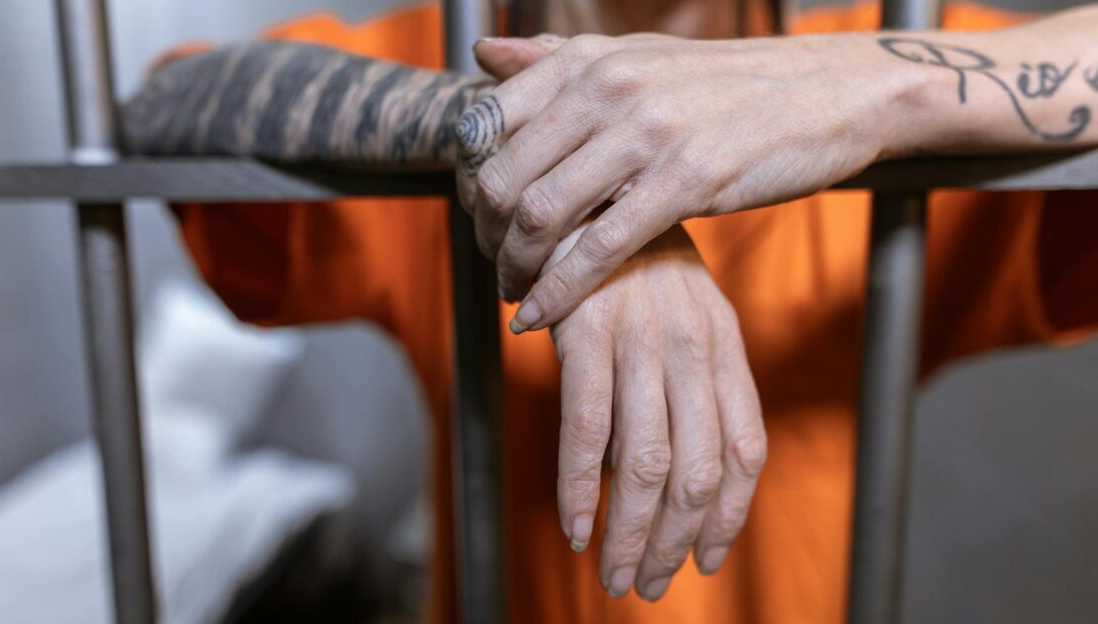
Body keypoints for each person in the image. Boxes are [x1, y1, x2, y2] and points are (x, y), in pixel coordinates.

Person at [123, 1, 1098, 621]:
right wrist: (549, 158)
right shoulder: (448, 48)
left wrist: (870, 89)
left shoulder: (888, 53)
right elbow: (162, 106)